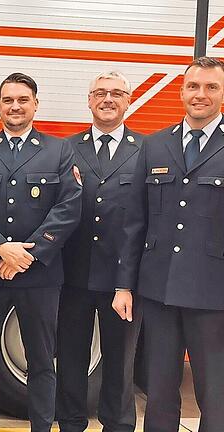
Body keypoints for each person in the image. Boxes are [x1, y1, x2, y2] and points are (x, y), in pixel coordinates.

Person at [0, 72, 81, 432]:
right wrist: (1, 248)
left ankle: (41, 426)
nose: (15, 106)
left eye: (23, 99)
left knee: (41, 360)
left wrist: (29, 254)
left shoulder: (59, 150)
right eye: (8, 100)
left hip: (39, 275)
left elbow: (68, 207)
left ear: (35, 105)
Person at [114, 56, 224, 432]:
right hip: (158, 289)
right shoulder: (156, 145)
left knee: (216, 395)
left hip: (214, 294)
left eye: (211, 87)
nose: (201, 95)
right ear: (181, 92)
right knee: (159, 391)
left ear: (222, 94)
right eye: (193, 86)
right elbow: (135, 221)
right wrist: (124, 284)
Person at [56, 70, 143, 432]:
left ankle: (118, 425)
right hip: (72, 275)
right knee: (71, 360)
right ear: (89, 100)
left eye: (116, 93)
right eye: (100, 93)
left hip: (122, 279)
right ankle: (70, 424)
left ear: (129, 100)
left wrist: (132, 279)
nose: (108, 99)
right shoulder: (65, 149)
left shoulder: (147, 149)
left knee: (120, 364)